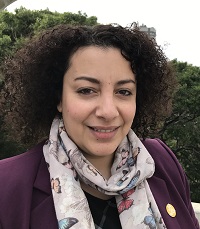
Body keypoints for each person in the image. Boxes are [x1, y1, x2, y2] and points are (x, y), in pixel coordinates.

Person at [0, 24, 199, 229]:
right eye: (87, 90)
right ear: (59, 98)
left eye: (123, 92)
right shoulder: (6, 185)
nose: (108, 111)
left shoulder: (161, 161)